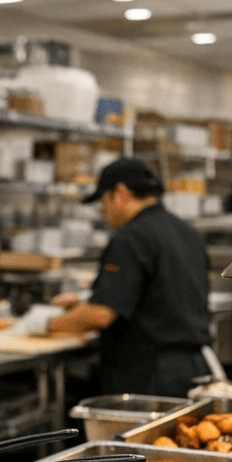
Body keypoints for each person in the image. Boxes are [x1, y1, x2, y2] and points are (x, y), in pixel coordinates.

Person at [47, 157, 211, 396]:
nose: (104, 212)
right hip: (193, 369)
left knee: (140, 435)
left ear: (120, 193)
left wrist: (43, 324)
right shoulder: (187, 232)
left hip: (149, 377)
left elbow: (101, 314)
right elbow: (158, 294)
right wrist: (82, 303)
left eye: (103, 202)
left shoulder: (130, 238)